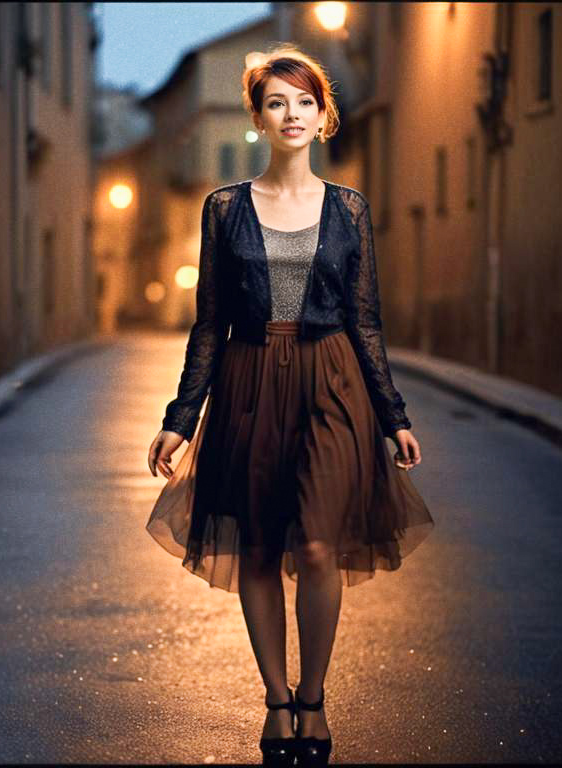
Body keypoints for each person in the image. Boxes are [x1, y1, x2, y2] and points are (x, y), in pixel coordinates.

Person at [145, 45, 435, 766]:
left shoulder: (349, 209)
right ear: (259, 118)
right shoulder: (225, 208)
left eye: (305, 101)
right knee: (260, 546)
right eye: (277, 102)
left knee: (314, 545)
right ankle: (277, 701)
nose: (292, 114)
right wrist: (180, 420)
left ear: (324, 115)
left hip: (332, 381)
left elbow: (365, 318)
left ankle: (315, 696)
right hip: (247, 378)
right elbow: (210, 323)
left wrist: (392, 413)